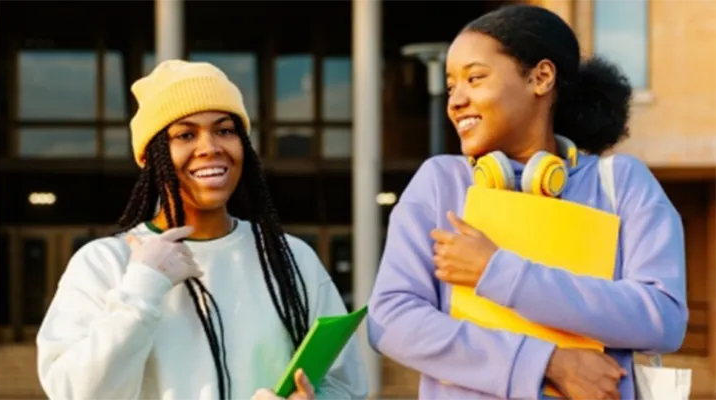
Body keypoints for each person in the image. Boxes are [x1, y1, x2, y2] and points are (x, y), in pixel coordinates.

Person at [367, 5, 688, 400]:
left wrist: (498, 273)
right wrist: (547, 363)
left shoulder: (622, 184)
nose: (456, 100)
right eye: (451, 86)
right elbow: (391, 319)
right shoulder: (441, 183)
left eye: (475, 78)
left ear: (541, 77)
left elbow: (663, 317)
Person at [36, 59, 368, 400]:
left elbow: (346, 385)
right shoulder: (105, 263)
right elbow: (73, 391)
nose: (210, 147)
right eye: (185, 134)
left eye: (225, 130)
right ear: (149, 158)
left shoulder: (290, 258)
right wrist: (143, 286)